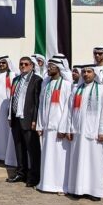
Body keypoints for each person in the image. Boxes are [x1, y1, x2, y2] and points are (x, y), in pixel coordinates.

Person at [62, 65, 103, 200]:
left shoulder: (102, 90)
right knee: (77, 161)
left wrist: (102, 131)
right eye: (84, 72)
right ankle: (76, 189)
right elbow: (70, 111)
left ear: (95, 74)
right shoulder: (77, 90)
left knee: (93, 162)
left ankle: (93, 191)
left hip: (94, 134)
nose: (86, 74)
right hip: (77, 133)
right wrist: (69, 129)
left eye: (89, 72)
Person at [36, 56, 71, 194]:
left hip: (58, 128)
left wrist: (63, 127)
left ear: (59, 68)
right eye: (48, 66)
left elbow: (67, 109)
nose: (48, 68)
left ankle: (60, 186)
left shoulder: (67, 85)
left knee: (59, 158)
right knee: (47, 157)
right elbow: (41, 106)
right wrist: (39, 124)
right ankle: (46, 183)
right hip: (46, 127)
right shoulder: (46, 84)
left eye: (52, 66)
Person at [7, 56, 42, 187]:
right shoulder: (16, 79)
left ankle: (34, 176)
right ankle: (21, 173)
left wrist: (35, 120)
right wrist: (10, 116)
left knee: (32, 150)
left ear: (32, 66)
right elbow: (12, 99)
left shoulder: (37, 80)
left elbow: (37, 102)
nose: (23, 66)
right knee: (19, 148)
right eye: (21, 64)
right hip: (16, 118)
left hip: (28, 120)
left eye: (26, 64)